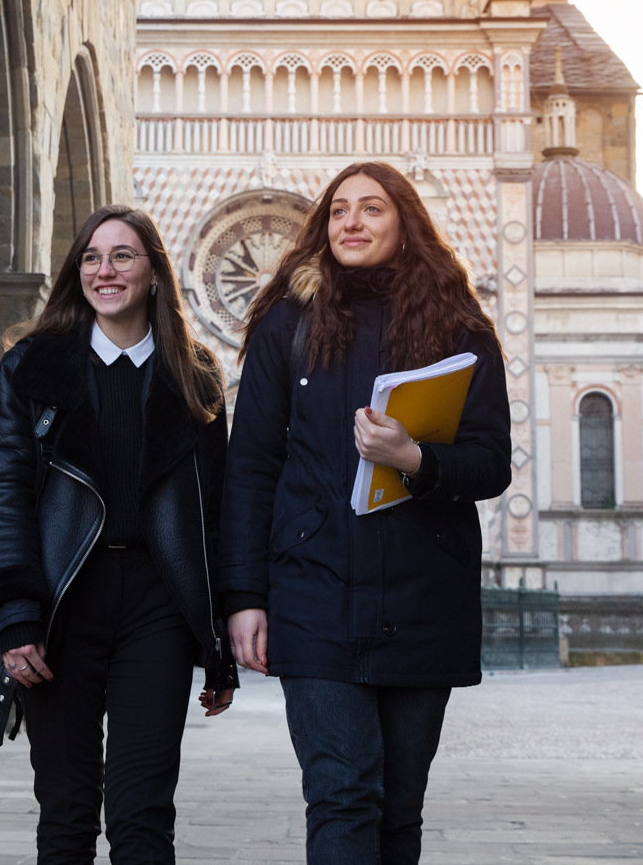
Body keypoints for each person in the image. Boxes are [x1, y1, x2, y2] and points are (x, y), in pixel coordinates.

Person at [220, 161, 511, 865]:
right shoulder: (287, 322)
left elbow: (491, 461)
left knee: (398, 805)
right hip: (315, 592)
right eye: (339, 209)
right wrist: (243, 596)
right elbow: (251, 466)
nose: (351, 221)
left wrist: (416, 458)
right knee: (344, 793)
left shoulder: (460, 325)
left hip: (424, 597)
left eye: (372, 208)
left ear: (404, 221)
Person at [0, 205, 238, 865]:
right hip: (59, 606)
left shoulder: (197, 376)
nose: (105, 269)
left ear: (153, 272)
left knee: (143, 812)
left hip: (158, 610)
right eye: (92, 256)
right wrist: (15, 615)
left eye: (123, 255)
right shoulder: (31, 369)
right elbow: (0, 495)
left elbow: (215, 516)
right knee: (64, 813)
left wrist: (216, 641)